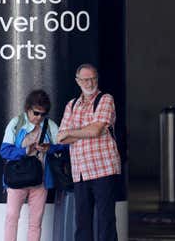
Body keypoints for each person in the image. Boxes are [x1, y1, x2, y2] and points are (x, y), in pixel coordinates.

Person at [57, 64, 121, 241]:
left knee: (105, 220)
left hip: (104, 168)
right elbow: (60, 138)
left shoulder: (106, 99)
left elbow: (96, 131)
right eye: (85, 79)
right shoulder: (71, 105)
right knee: (82, 223)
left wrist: (71, 132)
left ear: (97, 79)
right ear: (78, 82)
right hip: (80, 172)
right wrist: (81, 131)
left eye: (92, 78)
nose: (89, 82)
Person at [0, 89, 65, 241]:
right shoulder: (16, 123)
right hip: (17, 179)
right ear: (28, 109)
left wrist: (50, 148)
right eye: (36, 113)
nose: (39, 118)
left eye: (43, 114)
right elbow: (4, 151)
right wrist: (24, 151)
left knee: (36, 222)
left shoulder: (50, 125)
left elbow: (65, 146)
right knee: (11, 218)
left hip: (40, 180)